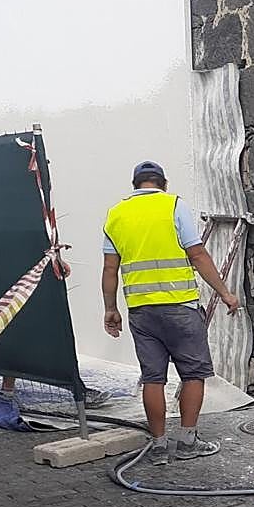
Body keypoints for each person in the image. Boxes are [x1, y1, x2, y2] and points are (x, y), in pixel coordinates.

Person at [101, 161, 239, 465]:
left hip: (141, 311)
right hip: (180, 307)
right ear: (163, 183)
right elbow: (198, 254)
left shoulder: (116, 214)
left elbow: (110, 268)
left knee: (153, 378)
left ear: (135, 184)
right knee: (193, 374)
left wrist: (111, 309)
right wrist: (225, 293)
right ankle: (188, 442)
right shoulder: (173, 206)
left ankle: (159, 445)